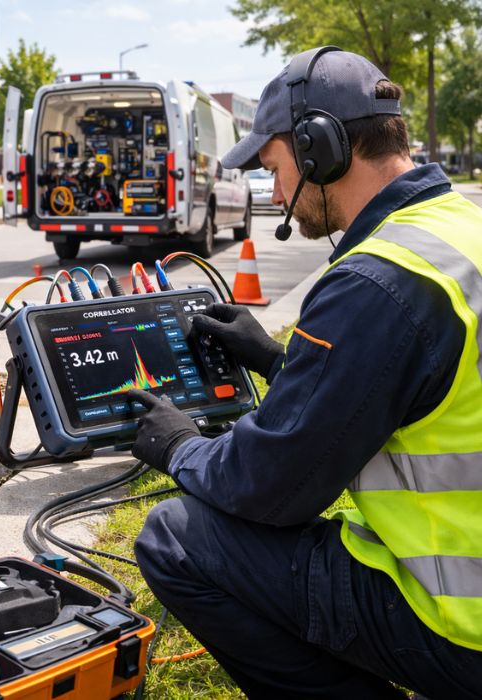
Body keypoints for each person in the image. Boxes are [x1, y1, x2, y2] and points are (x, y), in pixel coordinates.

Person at [126, 47, 482, 699]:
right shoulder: (460, 230)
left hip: (463, 626)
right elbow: (411, 377)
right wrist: (272, 357)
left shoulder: (380, 280)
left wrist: (179, 447)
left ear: (320, 148)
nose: (277, 195)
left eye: (275, 170)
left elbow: (273, 486)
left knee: (174, 538)